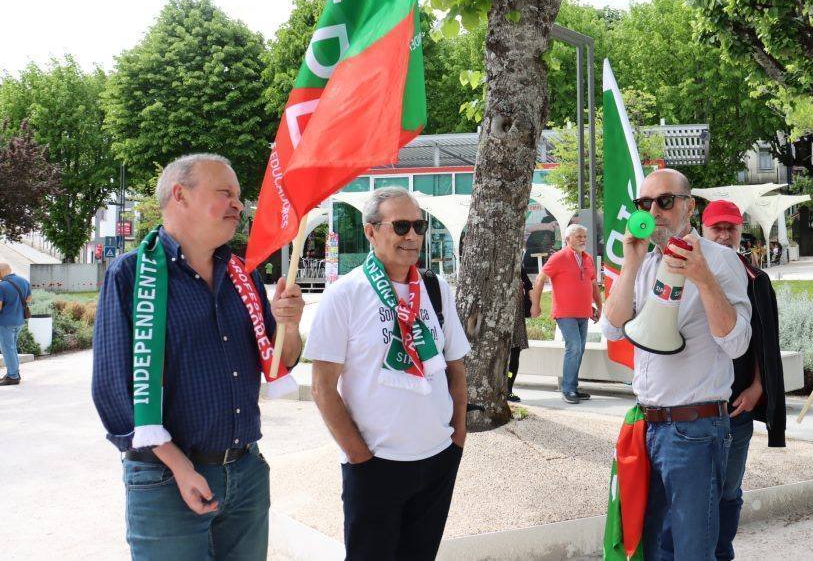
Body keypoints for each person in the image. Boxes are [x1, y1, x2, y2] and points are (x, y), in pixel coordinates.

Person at [92, 153, 305, 560]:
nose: (239, 205)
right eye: (225, 193)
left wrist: (289, 325)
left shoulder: (244, 275)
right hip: (166, 480)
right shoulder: (131, 275)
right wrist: (179, 466)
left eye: (238, 196)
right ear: (180, 195)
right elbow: (113, 390)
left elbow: (281, 360)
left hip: (245, 471)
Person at [304, 187, 470, 561]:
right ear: (371, 231)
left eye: (418, 226)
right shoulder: (345, 294)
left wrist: (457, 438)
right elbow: (322, 387)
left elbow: (456, 368)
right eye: (400, 226)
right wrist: (359, 456)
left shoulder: (435, 288)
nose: (412, 236)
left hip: (438, 459)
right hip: (375, 466)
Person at [601, 169, 752, 560]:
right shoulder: (644, 262)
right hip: (647, 425)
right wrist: (630, 263)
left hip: (694, 428)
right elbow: (612, 328)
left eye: (665, 201)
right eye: (644, 203)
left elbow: (737, 343)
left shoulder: (721, 260)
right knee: (648, 547)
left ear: (690, 207)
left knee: (691, 550)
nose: (654, 211)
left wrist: (703, 279)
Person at [700, 201, 786, 561]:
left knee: (728, 492)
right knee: (693, 495)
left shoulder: (755, 279)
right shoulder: (682, 275)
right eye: (716, 228)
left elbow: (766, 341)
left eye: (730, 228)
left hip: (736, 407)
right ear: (702, 230)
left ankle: (722, 554)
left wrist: (758, 388)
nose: (724, 235)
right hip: (693, 408)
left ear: (739, 232)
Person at [530, 223, 601, 404]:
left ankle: (573, 388)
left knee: (579, 350)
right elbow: (540, 279)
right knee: (574, 347)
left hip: (584, 313)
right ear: (568, 239)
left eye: (584, 236)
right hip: (565, 313)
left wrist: (599, 306)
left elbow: (593, 284)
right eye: (579, 236)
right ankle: (568, 389)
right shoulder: (558, 257)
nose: (583, 240)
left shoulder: (588, 259)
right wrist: (535, 305)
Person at [0, 262, 31, 386]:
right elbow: (29, 298)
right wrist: (16, 304)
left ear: (1, 271)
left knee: (7, 349)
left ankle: (13, 376)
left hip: (5, 322)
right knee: (12, 348)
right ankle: (14, 373)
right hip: (19, 321)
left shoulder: (2, 285)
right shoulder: (24, 281)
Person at [508, 249, 532, 402]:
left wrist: (534, 305)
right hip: (498, 322)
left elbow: (529, 285)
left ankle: (508, 388)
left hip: (516, 320)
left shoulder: (518, 266)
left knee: (515, 353)